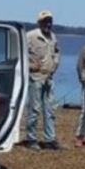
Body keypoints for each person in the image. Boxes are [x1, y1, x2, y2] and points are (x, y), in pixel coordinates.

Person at [24, 10, 61, 150]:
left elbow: (57, 51)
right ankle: (31, 138)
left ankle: (49, 139)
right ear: (39, 22)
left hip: (49, 77)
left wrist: (55, 64)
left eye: (50, 21)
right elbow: (21, 53)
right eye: (45, 21)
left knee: (50, 109)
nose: (48, 23)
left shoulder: (53, 37)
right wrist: (31, 66)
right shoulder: (31, 36)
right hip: (36, 77)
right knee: (34, 109)